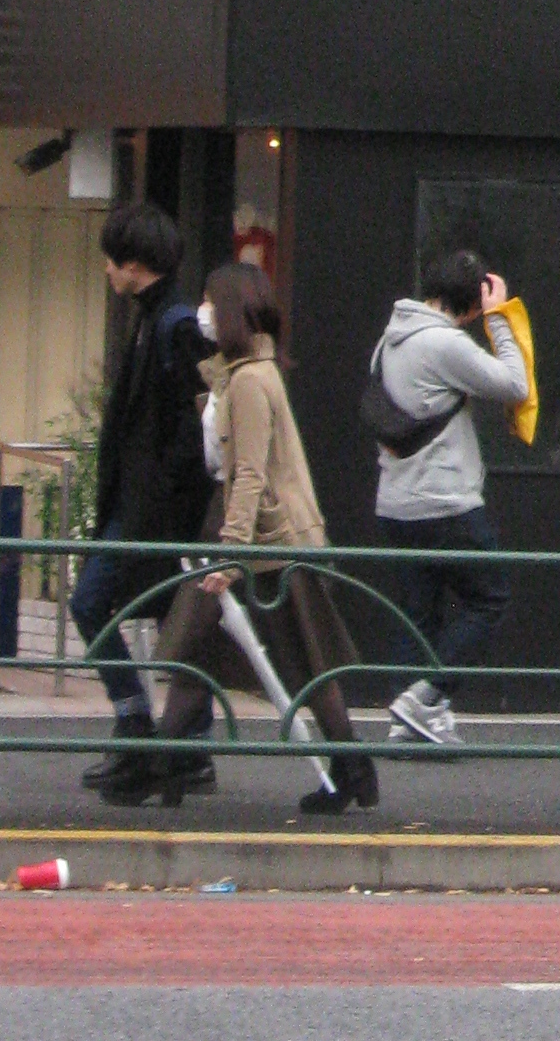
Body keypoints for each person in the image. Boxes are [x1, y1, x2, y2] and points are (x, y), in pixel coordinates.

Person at [108, 264, 376, 816]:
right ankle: (166, 760)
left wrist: (232, 553)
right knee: (202, 641)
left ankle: (348, 763)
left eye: (210, 302)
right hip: (250, 530)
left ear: (229, 310)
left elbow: (250, 473)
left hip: (263, 536)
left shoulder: (250, 380)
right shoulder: (241, 373)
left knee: (295, 652)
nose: (202, 312)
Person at [73, 201, 216, 795]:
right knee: (168, 619)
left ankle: (144, 730)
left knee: (94, 603)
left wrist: (164, 489)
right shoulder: (156, 319)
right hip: (147, 505)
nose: (107, 268)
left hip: (152, 509)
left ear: (135, 263)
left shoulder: (174, 326)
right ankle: (183, 746)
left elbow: (196, 423)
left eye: (113, 258)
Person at [370, 248, 527, 754]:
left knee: (418, 612)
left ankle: (409, 717)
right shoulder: (443, 343)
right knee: (490, 597)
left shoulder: (390, 339)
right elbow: (514, 384)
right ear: (474, 302)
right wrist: (500, 320)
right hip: (445, 501)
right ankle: (426, 696)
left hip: (395, 502)